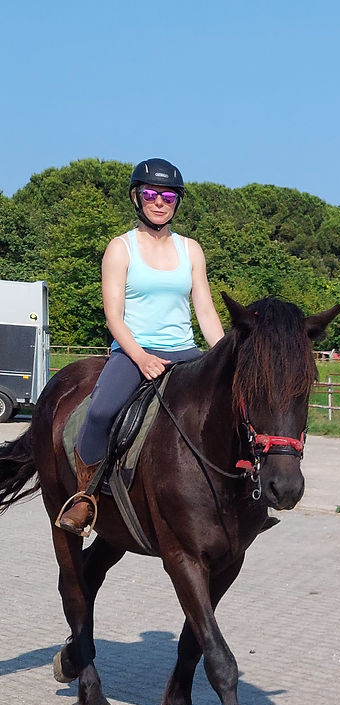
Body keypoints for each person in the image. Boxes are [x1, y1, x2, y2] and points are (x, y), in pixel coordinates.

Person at [57, 158, 225, 534]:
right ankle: (85, 497)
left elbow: (205, 311)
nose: (159, 202)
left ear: (177, 202)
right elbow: (113, 316)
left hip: (185, 351)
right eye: (150, 194)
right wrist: (140, 356)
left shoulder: (191, 250)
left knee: (231, 407)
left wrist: (226, 357)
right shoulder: (121, 248)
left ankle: (245, 496)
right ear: (137, 197)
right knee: (100, 412)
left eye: (168, 196)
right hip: (134, 352)